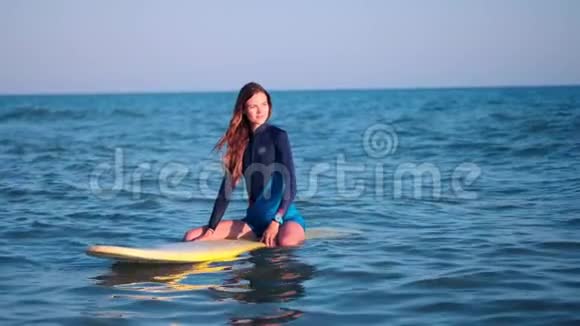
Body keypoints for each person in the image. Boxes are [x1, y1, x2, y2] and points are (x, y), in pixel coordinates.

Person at [183, 82, 306, 247]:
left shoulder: (278, 136)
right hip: (254, 221)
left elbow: (291, 184)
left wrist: (276, 221)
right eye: (253, 106)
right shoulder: (239, 143)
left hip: (284, 218)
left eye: (264, 104)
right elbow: (226, 190)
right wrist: (211, 229)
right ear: (243, 110)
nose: (260, 110)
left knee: (285, 242)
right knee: (191, 236)